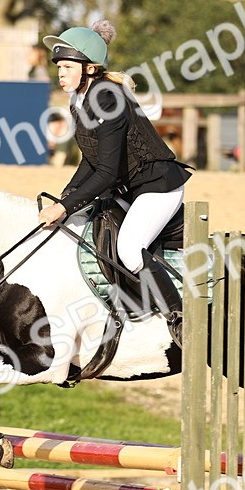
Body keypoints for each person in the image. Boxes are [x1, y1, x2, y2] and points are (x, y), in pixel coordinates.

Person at [37, 20, 192, 343]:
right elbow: (90, 160)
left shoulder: (107, 99)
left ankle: (179, 316)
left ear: (89, 69)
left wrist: (65, 206)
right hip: (128, 186)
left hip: (157, 186)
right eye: (59, 67)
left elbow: (105, 172)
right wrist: (66, 196)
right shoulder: (80, 98)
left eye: (66, 66)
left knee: (131, 249)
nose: (60, 73)